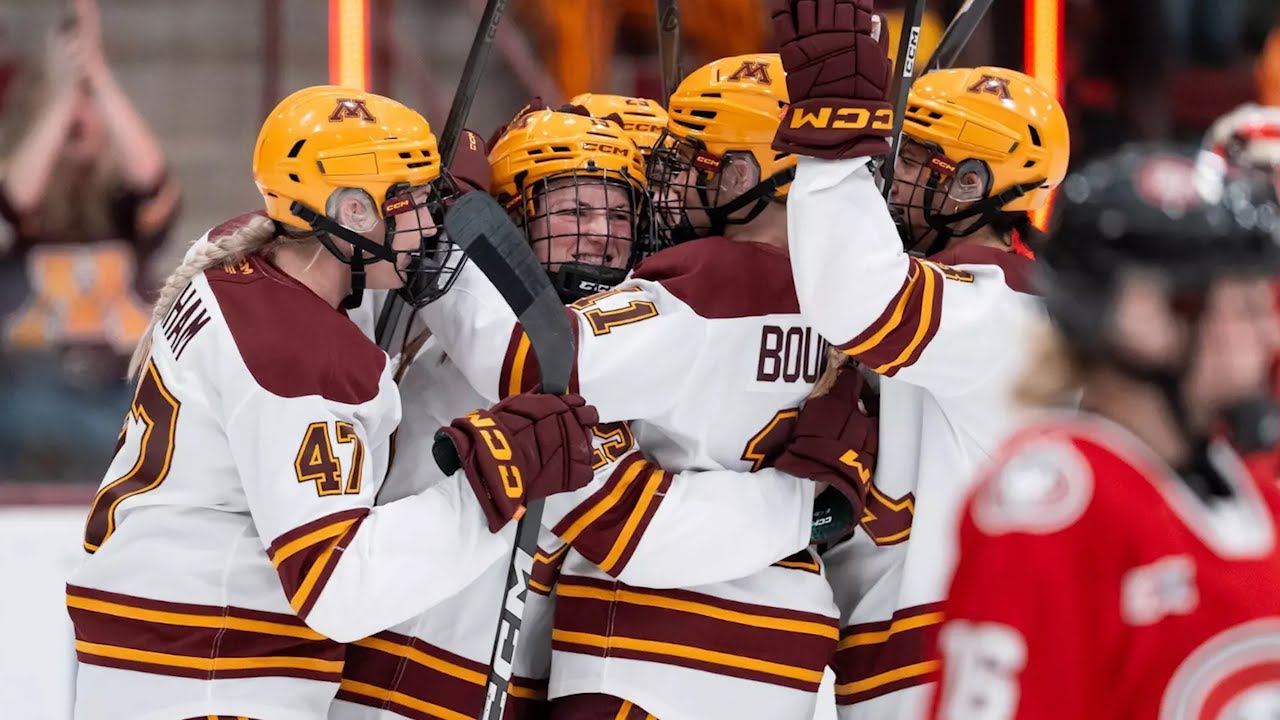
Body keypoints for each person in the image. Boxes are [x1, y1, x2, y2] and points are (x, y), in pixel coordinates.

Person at [65, 85, 599, 720]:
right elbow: (339, 586)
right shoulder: (302, 355)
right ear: (350, 213)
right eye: (410, 203)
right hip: (217, 682)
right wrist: (487, 485)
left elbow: (340, 293)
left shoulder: (237, 251)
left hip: (149, 673)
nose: (431, 226)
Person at [414, 53, 879, 720]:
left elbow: (531, 360)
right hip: (788, 646)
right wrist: (804, 509)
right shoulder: (855, 294)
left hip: (651, 649)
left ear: (745, 174)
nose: (668, 178)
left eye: (691, 158)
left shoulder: (712, 284)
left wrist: (446, 245)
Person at [768, 1, 1071, 716]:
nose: (887, 176)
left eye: (907, 160)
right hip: (896, 674)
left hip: (957, 680)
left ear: (970, 187)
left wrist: (834, 143)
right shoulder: (971, 304)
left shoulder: (1006, 314)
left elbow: (859, 297)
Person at [932, 144, 1280, 719]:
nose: (1270, 336)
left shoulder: (1248, 490)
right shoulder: (1054, 509)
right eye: (1244, 307)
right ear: (1146, 315)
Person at [0, 0, 180, 482]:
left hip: (117, 385)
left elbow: (154, 181)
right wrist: (62, 98)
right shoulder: (27, 199)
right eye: (65, 107)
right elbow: (13, 200)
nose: (79, 117)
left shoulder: (124, 203)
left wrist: (95, 74)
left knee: (161, 417)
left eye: (90, 106)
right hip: (30, 384)